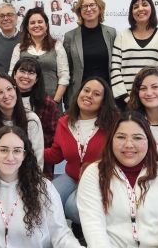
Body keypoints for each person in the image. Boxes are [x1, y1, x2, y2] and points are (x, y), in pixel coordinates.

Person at [0, 126, 81, 247]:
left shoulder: (44, 188)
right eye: (3, 150)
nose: (10, 157)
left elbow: (60, 235)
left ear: (24, 155)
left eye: (17, 151)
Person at [77, 111, 158, 247]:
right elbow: (93, 227)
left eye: (137, 138)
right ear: (111, 140)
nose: (129, 144)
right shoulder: (94, 174)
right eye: (121, 137)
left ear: (148, 141)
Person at [44, 77, 118, 240]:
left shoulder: (112, 123)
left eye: (96, 94)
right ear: (79, 93)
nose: (89, 95)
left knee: (72, 206)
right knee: (47, 197)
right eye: (86, 90)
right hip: (72, 176)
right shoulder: (64, 122)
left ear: (104, 101)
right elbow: (56, 154)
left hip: (100, 178)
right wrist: (31, 151)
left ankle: (95, 233)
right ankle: (59, 238)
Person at [0, 74, 44, 171]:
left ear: (15, 90)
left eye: (9, 89)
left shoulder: (31, 119)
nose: (6, 95)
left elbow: (37, 159)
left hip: (27, 177)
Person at [111, 0, 158, 104]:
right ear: (131, 12)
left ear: (151, 8)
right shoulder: (122, 36)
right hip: (126, 102)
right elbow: (115, 69)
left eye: (145, 4)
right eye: (136, 7)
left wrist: (154, 95)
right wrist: (126, 98)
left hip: (154, 100)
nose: (140, 9)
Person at [64, 0, 117, 108]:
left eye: (92, 5)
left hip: (106, 95)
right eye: (84, 6)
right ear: (79, 11)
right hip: (80, 95)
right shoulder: (70, 37)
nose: (88, 9)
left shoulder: (111, 33)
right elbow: (67, 70)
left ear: (99, 7)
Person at [8, 8, 70, 103]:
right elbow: (12, 75)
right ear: (28, 28)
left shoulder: (57, 46)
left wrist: (55, 101)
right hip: (23, 103)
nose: (36, 25)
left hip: (51, 103)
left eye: (40, 22)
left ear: (46, 25)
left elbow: (64, 76)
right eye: (32, 23)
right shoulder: (19, 48)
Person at [11, 58, 59, 149]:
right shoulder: (6, 99)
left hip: (37, 153)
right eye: (22, 71)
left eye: (31, 73)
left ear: (36, 79)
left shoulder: (48, 103)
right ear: (14, 74)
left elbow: (52, 136)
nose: (26, 76)